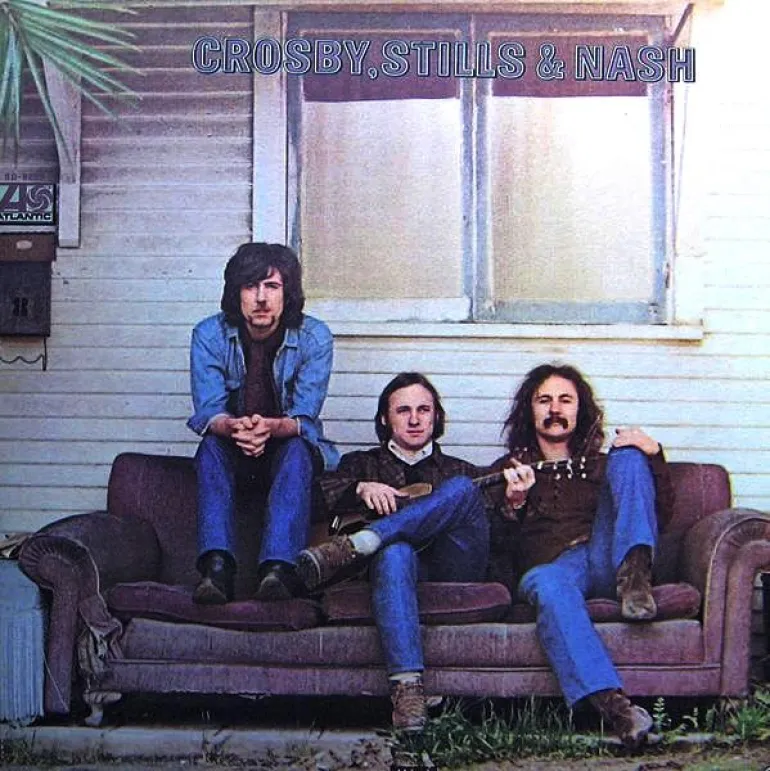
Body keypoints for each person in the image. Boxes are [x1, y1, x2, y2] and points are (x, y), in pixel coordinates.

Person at [296, 372, 492, 732]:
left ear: (436, 416)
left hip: (450, 565)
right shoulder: (360, 464)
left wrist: (515, 500)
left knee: (463, 489)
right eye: (403, 410)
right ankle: (407, 691)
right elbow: (311, 498)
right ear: (385, 419)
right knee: (395, 552)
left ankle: (361, 542)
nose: (415, 419)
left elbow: (493, 534)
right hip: (395, 573)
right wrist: (359, 488)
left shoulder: (460, 469)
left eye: (424, 410)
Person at [494, 363, 675, 749]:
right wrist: (514, 504)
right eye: (544, 400)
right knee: (549, 584)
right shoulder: (509, 469)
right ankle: (618, 711)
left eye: (565, 400)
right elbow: (494, 548)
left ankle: (636, 577)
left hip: (607, 558)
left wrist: (653, 454)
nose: (554, 408)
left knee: (628, 456)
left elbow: (659, 515)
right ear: (529, 409)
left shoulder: (602, 465)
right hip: (554, 568)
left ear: (581, 409)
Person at [187, 242, 338, 604]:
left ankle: (277, 571)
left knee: (297, 450)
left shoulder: (315, 337)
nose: (260, 298)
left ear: (288, 293)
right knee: (210, 447)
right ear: (235, 293)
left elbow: (304, 417)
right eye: (250, 286)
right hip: (234, 447)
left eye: (272, 286)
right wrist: (236, 429)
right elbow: (209, 410)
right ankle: (216, 570)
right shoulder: (208, 334)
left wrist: (268, 428)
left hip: (287, 450)